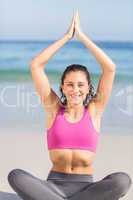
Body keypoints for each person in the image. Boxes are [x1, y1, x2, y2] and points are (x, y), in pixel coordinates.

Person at [8, 11, 132, 200]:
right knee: (15, 175)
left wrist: (82, 37)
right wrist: (66, 37)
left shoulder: (95, 110)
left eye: (80, 85)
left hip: (87, 190)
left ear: (88, 87)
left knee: (123, 180)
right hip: (52, 188)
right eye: (70, 84)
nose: (75, 90)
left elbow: (110, 68)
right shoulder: (53, 109)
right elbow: (36, 65)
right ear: (63, 88)